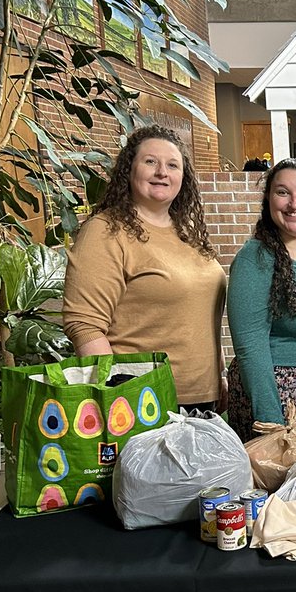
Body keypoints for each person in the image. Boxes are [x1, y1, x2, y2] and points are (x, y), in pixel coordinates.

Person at [63, 124, 226, 410]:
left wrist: (219, 376)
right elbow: (85, 325)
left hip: (201, 396)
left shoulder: (187, 232)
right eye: (151, 161)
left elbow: (201, 315)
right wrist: (118, 396)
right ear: (129, 170)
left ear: (183, 177)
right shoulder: (106, 232)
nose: (162, 171)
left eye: (172, 164)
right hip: (142, 400)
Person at [227, 159, 296, 441]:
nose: (294, 203)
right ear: (268, 198)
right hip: (279, 394)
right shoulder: (256, 257)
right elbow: (250, 345)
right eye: (282, 192)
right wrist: (271, 423)